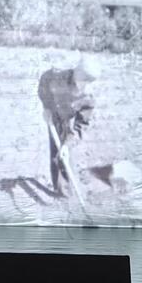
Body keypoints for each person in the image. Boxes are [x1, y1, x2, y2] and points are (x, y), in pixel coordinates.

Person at [37, 57, 99, 194]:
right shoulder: (58, 76)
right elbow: (44, 82)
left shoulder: (88, 97)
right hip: (54, 114)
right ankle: (60, 190)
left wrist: (67, 144)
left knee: (65, 152)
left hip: (69, 120)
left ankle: (67, 191)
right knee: (56, 150)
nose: (81, 85)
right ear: (76, 72)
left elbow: (81, 125)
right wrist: (46, 107)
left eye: (85, 82)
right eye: (80, 80)